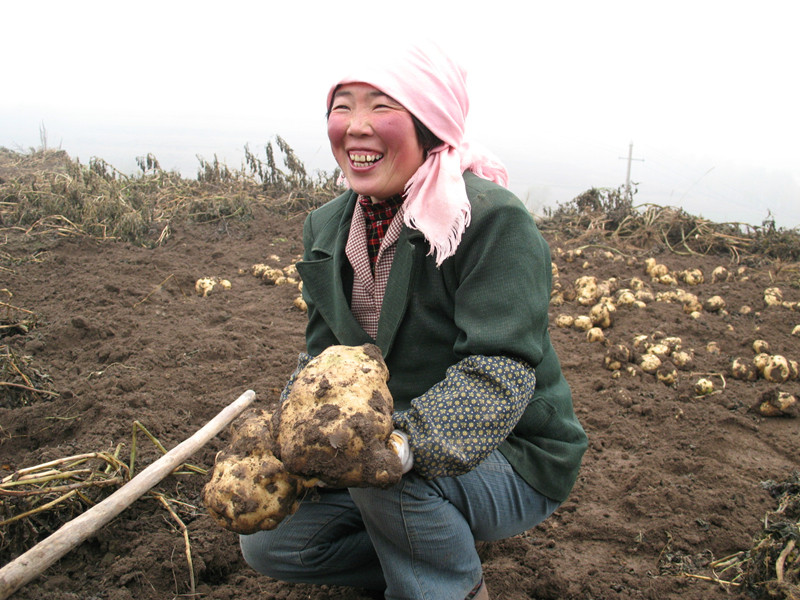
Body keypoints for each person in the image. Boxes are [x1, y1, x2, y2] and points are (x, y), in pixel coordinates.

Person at [239, 42, 588, 600]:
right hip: (390, 443)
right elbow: (321, 364)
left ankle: (450, 585)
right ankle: (422, 546)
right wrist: (278, 440)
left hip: (513, 451)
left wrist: (399, 448)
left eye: (381, 107)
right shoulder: (326, 227)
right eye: (342, 107)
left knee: (380, 481)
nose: (355, 127)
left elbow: (498, 370)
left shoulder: (489, 220)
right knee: (272, 543)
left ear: (430, 123)